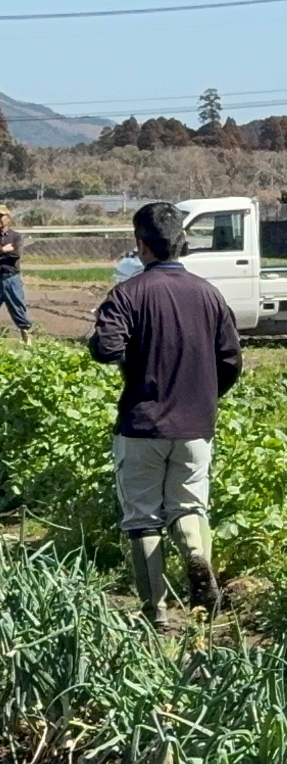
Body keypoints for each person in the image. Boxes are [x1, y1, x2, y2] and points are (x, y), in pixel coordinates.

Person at [90, 202, 242, 630]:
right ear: (181, 241)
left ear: (141, 244)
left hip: (142, 424)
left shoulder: (128, 294)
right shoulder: (209, 294)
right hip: (196, 426)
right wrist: (207, 398)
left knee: (142, 516)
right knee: (190, 504)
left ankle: (155, 614)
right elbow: (231, 361)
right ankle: (196, 557)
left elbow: (106, 349)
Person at [0, 204, 32, 343]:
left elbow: (15, 255)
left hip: (12, 278)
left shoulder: (16, 237)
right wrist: (3, 250)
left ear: (8, 218)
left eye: (0, 216)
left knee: (18, 308)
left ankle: (27, 341)